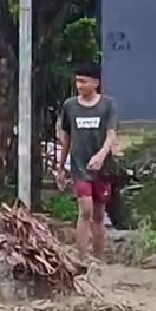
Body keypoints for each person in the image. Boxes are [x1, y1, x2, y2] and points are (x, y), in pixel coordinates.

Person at [55, 62, 119, 260]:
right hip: (79, 167)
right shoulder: (70, 106)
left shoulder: (108, 105)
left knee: (99, 215)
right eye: (77, 82)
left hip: (102, 169)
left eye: (83, 81)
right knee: (85, 210)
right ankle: (81, 257)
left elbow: (111, 134)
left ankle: (98, 259)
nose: (80, 86)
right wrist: (61, 167)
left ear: (96, 83)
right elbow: (66, 138)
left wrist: (101, 155)